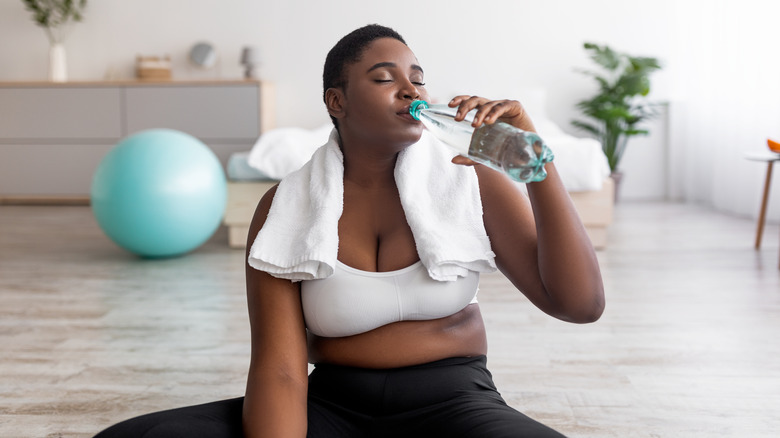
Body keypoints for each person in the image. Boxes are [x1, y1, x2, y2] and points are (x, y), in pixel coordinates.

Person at [94, 24, 604, 438]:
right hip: (333, 409)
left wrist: (538, 166)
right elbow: (280, 370)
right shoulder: (287, 206)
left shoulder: (470, 181)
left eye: (418, 78)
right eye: (385, 78)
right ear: (336, 103)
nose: (411, 90)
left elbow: (580, 305)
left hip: (455, 405)